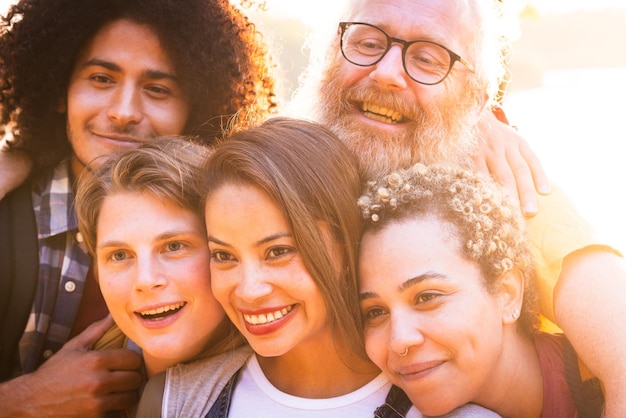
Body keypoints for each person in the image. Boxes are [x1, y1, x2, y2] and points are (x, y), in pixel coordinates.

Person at [291, 0, 626, 414]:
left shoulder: (513, 189)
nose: (387, 73)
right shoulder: (282, 186)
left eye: (429, 59)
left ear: (475, 101)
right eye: (367, 42)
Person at [0, 0, 276, 415]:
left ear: (196, 107)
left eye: (157, 89)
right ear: (60, 90)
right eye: (100, 78)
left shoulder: (232, 231)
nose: (124, 112)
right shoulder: (7, 220)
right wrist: (21, 400)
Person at [145, 117, 498, 417]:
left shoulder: (444, 405)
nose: (249, 289)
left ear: (345, 243)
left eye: (278, 251)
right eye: (224, 256)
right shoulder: (173, 402)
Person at [357, 163, 605, 417]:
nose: (399, 341)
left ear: (507, 294)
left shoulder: (607, 385)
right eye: (375, 312)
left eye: (426, 297)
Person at [73, 138, 247, 416]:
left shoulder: (270, 394)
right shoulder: (73, 387)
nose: (145, 279)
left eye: (174, 246)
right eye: (119, 255)